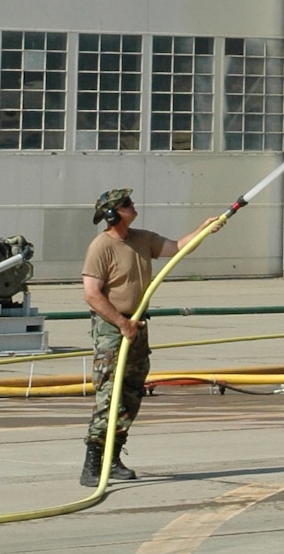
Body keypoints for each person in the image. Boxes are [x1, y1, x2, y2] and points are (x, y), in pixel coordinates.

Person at [80, 188, 199, 486]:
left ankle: (114, 457)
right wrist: (121, 323)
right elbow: (92, 295)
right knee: (110, 395)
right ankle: (92, 464)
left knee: (131, 394)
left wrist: (206, 227)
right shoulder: (100, 247)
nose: (133, 206)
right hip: (113, 328)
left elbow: (177, 247)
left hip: (137, 326)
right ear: (112, 214)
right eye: (126, 204)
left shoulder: (142, 239)